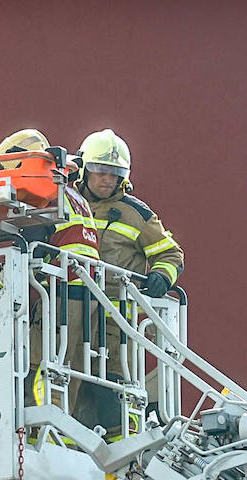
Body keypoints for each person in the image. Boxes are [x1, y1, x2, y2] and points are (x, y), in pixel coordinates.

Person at [72, 128, 184, 428]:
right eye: (100, 171)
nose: (108, 179)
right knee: (68, 384)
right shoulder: (66, 204)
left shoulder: (136, 214)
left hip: (114, 320)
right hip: (70, 311)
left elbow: (171, 255)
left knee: (110, 390)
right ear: (83, 169)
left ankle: (120, 458)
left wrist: (162, 276)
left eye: (115, 173)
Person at [0, 129, 100, 412]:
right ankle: (62, 435)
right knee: (66, 370)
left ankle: (39, 432)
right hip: (85, 295)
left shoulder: (44, 195)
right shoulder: (73, 196)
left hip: (59, 297)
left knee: (38, 367)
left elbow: (28, 251)